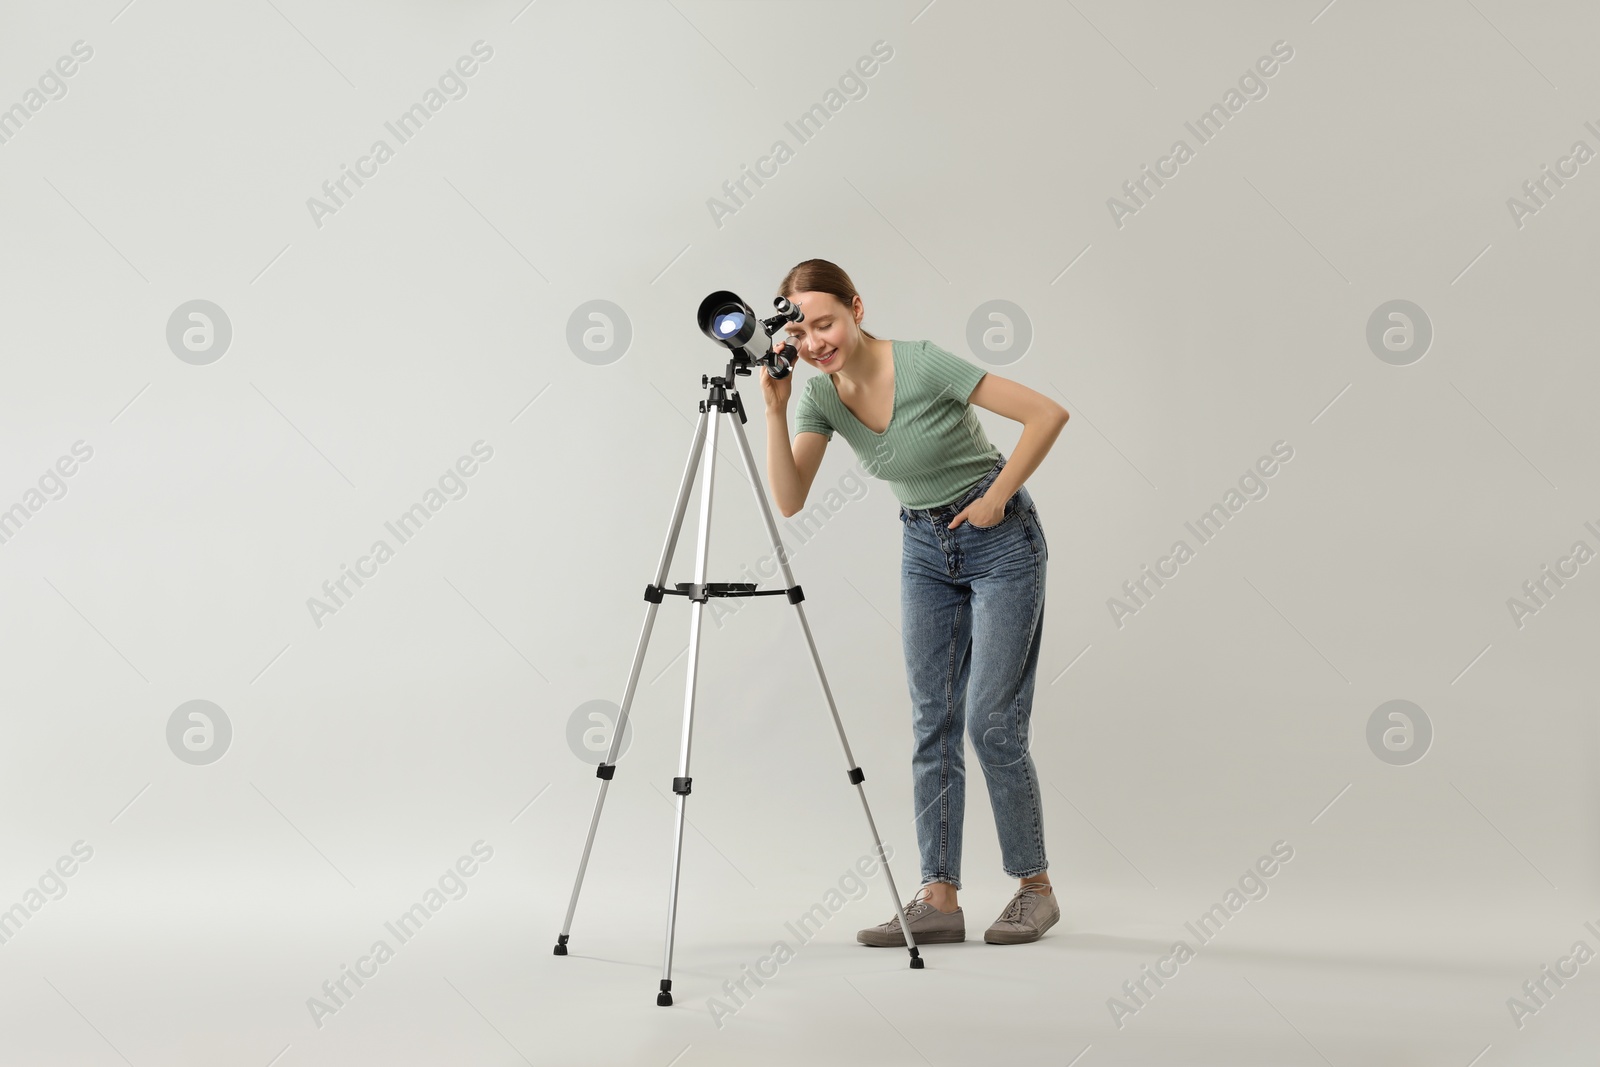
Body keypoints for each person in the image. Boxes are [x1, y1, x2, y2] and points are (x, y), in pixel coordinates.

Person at [761, 258, 1070, 946]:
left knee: (991, 722)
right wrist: (777, 411)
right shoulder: (818, 398)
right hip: (924, 548)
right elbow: (789, 498)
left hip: (1001, 540)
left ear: (856, 308)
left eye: (825, 322)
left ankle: (1035, 888)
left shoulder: (923, 363)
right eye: (802, 331)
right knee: (932, 721)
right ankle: (939, 898)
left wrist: (995, 498)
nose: (815, 342)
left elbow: (1045, 414)